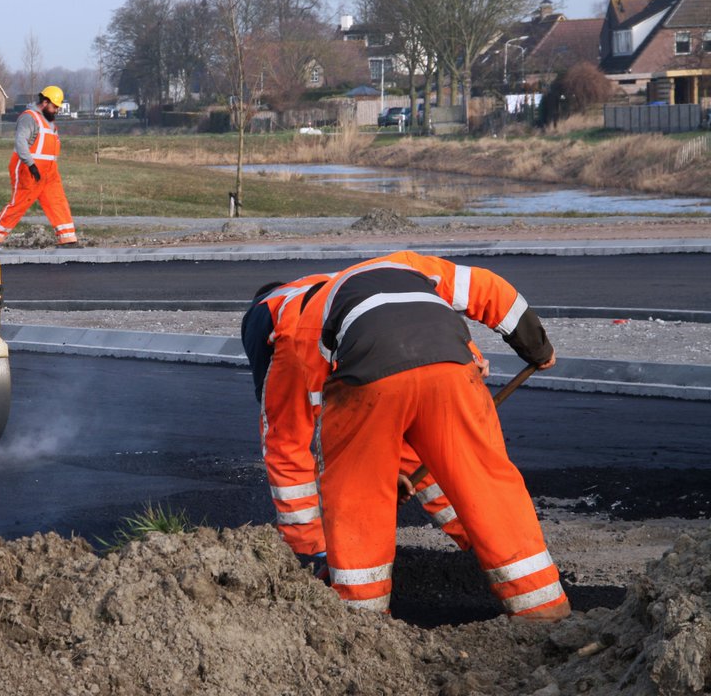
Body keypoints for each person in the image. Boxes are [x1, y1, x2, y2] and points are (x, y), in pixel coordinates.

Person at [290, 251, 568, 621]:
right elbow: (493, 292)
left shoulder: (309, 315)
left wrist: (379, 473)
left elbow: (327, 411)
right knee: (486, 482)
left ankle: (361, 621)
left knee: (355, 493)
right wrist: (537, 347)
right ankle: (544, 610)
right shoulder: (414, 265)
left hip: (369, 379)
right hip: (451, 369)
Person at [241, 274, 472, 574]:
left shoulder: (261, 312)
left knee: (285, 439)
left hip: (304, 332)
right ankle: (473, 531)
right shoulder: (325, 284)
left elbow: (278, 404)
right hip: (383, 335)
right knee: (401, 440)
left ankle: (309, 549)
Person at [0, 86, 77, 247]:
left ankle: (68, 239)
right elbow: (20, 142)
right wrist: (31, 166)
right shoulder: (29, 118)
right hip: (28, 169)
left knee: (57, 201)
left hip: (49, 172)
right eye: (55, 106)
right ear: (45, 102)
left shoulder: (49, 122)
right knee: (20, 203)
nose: (57, 110)